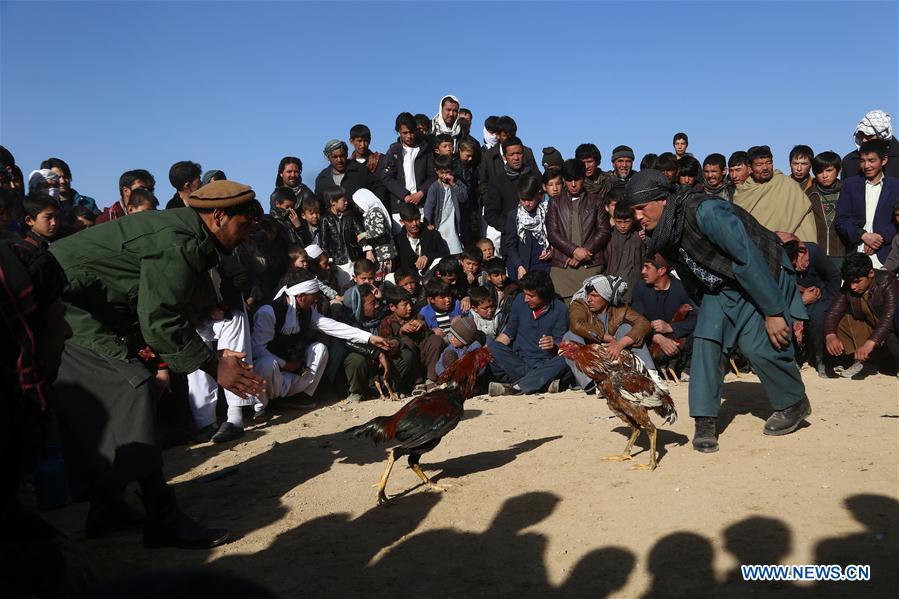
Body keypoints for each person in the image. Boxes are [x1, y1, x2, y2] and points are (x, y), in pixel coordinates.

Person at [50, 180, 266, 549]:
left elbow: (158, 302)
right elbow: (161, 319)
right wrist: (215, 366)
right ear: (218, 216)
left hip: (86, 309)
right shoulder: (177, 241)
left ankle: (107, 508)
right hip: (63, 309)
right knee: (133, 388)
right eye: (243, 226)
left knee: (123, 390)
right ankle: (163, 519)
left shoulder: (190, 234)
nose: (245, 236)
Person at [625, 169, 810, 454]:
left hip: (760, 274)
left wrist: (772, 312)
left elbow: (747, 260)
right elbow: (690, 271)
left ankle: (793, 403)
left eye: (641, 208)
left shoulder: (707, 212)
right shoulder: (662, 228)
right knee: (706, 341)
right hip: (720, 286)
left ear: (662, 200)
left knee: (758, 345)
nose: (637, 216)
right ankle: (705, 420)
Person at [252, 270, 391, 404]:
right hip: (271, 371)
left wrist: (370, 337)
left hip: (291, 369)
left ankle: (302, 396)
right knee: (266, 364)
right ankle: (262, 406)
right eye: (313, 295)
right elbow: (257, 350)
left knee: (319, 349)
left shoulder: (307, 311)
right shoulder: (268, 312)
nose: (316, 299)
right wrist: (284, 364)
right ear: (301, 297)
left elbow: (334, 327)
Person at [562, 274, 660, 390]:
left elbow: (644, 324)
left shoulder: (620, 309)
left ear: (606, 297)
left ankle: (650, 373)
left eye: (594, 296)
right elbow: (577, 324)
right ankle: (591, 383)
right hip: (593, 357)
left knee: (626, 328)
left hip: (615, 356)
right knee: (570, 336)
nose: (589, 299)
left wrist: (620, 344)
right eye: (588, 295)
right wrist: (605, 337)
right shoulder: (580, 304)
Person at [488, 270, 569, 395]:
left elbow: (560, 343)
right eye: (525, 294)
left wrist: (554, 344)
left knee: (567, 358)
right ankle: (540, 383)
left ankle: (517, 387)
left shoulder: (560, 309)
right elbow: (509, 333)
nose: (526, 299)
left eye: (531, 296)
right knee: (493, 347)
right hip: (519, 360)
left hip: (543, 363)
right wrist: (488, 351)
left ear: (544, 294)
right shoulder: (519, 300)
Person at [823, 253, 899, 379]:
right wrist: (830, 334)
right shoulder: (850, 285)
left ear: (871, 273)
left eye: (857, 282)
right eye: (850, 282)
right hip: (872, 328)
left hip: (889, 331)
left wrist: (870, 342)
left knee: (892, 335)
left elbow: (889, 318)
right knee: (839, 322)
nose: (853, 287)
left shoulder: (888, 281)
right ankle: (861, 361)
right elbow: (834, 311)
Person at [776, 233, 841, 378]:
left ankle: (821, 358)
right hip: (795, 297)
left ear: (803, 252)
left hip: (820, 297)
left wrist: (827, 302)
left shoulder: (815, 252)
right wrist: (801, 299)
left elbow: (833, 278)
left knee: (818, 317)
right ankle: (792, 357)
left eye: (798, 261)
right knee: (783, 317)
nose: (797, 267)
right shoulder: (783, 255)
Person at [546, 159, 610, 300]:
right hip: (563, 266)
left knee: (591, 313)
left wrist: (585, 251)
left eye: (577, 180)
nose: (573, 184)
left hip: (590, 264)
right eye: (569, 180)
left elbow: (604, 230)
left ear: (583, 178)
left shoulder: (596, 200)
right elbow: (552, 232)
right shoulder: (555, 202)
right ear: (563, 180)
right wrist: (574, 250)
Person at [834, 139, 899, 269]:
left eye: (871, 160)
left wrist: (880, 237)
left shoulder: (896, 186)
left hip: (886, 258)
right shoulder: (850, 185)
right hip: (855, 256)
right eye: (863, 161)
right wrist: (863, 235)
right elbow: (841, 219)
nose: (866, 166)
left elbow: (897, 222)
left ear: (884, 160)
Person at [733, 145, 818, 243]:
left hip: (786, 249)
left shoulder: (788, 185)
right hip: (753, 247)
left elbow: (803, 223)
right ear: (750, 168)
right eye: (759, 164)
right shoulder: (742, 192)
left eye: (768, 163)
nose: (765, 167)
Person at [632, 253, 697, 377]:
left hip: (677, 341)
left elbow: (696, 319)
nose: (642, 271)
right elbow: (635, 318)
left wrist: (670, 328)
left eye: (647, 267)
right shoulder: (640, 287)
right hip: (651, 339)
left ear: (661, 270)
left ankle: (687, 369)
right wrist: (658, 338)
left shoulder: (682, 288)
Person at [380, 112, 436, 214]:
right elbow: (387, 177)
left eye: (411, 132)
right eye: (405, 133)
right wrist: (404, 195)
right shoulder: (393, 151)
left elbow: (433, 175)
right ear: (398, 132)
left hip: (423, 206)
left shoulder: (425, 149)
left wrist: (421, 193)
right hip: (400, 207)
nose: (409, 136)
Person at [503, 174, 552, 281]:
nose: (526, 204)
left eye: (530, 200)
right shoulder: (514, 216)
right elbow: (510, 244)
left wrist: (552, 250)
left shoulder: (548, 211)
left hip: (544, 266)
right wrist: (519, 266)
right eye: (523, 199)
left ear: (538, 194)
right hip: (522, 268)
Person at [314, 139, 388, 207]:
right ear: (328, 157)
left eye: (342, 156)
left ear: (346, 154)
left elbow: (379, 187)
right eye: (335, 157)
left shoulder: (360, 170)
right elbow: (319, 204)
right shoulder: (322, 179)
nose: (339, 160)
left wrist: (375, 208)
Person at [320, 184, 368, 283]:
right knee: (345, 286)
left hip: (354, 257)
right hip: (339, 262)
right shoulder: (326, 219)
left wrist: (367, 249)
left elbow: (361, 233)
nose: (346, 203)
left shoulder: (350, 215)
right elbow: (324, 243)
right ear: (333, 202)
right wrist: (329, 262)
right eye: (343, 201)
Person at [423, 154, 468, 255]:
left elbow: (463, 198)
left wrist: (454, 185)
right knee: (441, 250)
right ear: (437, 172)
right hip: (440, 224)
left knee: (455, 249)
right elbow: (429, 207)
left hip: (453, 225)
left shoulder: (458, 183)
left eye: (447, 172)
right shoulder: (434, 187)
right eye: (441, 173)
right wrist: (428, 223)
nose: (445, 176)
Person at [807, 151, 845, 265]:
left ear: (838, 170)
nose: (824, 175)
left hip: (842, 253)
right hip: (816, 254)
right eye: (819, 171)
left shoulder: (847, 192)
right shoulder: (809, 195)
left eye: (829, 170)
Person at [393, 201, 448, 274]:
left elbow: (445, 254)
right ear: (402, 222)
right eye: (410, 221)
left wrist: (428, 257)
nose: (414, 224)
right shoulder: (398, 241)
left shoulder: (432, 234)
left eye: (417, 219)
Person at [841, 109, 899, 179]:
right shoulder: (849, 161)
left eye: (869, 136)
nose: (864, 140)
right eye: (862, 135)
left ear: (883, 135)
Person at [604, 203, 644, 303]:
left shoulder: (638, 237)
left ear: (633, 220)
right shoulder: (608, 237)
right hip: (612, 285)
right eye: (619, 222)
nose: (623, 226)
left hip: (634, 285)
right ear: (613, 219)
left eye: (627, 222)